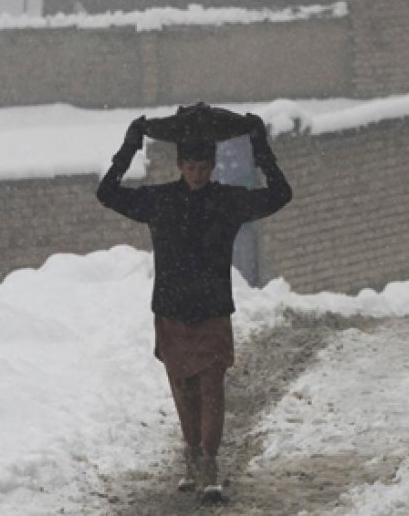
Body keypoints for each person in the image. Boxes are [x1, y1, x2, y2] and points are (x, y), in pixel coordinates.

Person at [97, 113, 292, 503]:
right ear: (179, 165)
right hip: (171, 309)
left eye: (203, 167)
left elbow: (280, 194)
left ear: (212, 166)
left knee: (211, 388)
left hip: (213, 309)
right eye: (190, 167)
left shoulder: (227, 200)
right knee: (184, 389)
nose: (197, 174)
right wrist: (131, 144)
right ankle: (192, 454)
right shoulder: (160, 200)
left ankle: (208, 462)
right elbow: (107, 192)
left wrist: (259, 146)